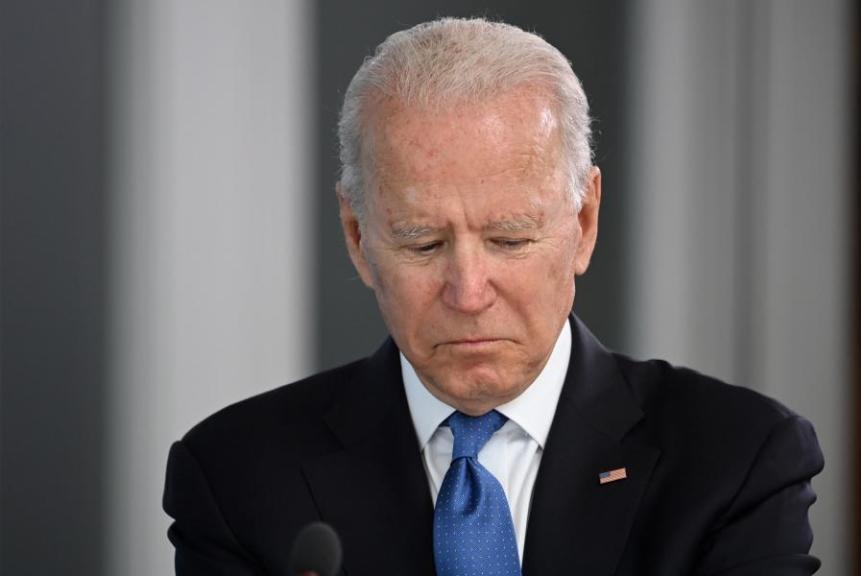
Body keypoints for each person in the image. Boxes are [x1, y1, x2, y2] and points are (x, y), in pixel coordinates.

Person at [163, 17, 824, 576]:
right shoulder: (236, 478)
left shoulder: (735, 463)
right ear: (358, 237)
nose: (469, 292)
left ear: (584, 224)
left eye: (509, 239)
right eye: (423, 244)